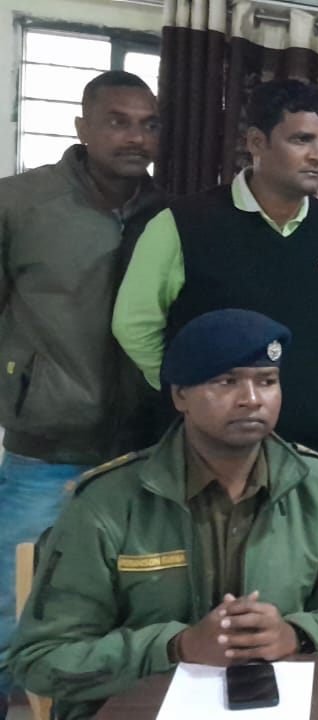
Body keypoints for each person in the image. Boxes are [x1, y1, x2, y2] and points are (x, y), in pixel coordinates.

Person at [7, 309, 318, 720]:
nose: (251, 399)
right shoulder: (108, 501)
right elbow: (42, 658)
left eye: (266, 381)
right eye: (226, 382)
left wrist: (296, 634)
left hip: (276, 705)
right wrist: (177, 647)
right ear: (180, 396)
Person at [0, 70, 164, 713]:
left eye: (148, 124)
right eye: (118, 121)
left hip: (139, 450)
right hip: (46, 445)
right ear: (82, 127)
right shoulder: (22, 203)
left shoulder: (169, 214)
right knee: (17, 603)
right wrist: (22, 385)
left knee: (120, 606)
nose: (135, 137)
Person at [112, 78, 318, 466]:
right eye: (301, 140)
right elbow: (134, 325)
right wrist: (188, 387)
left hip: (307, 450)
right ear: (257, 142)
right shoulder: (183, 224)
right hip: (205, 448)